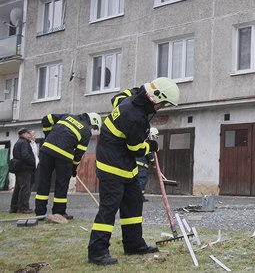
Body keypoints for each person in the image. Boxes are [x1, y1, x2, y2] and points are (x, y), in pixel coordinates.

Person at [88, 77, 180, 265]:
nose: (162, 107)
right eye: (163, 103)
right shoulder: (134, 116)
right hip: (112, 165)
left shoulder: (134, 97)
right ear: (155, 98)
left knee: (133, 203)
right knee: (109, 208)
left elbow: (118, 98)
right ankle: (97, 252)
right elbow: (135, 149)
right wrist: (151, 145)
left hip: (125, 165)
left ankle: (133, 245)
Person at [35, 113, 101, 219]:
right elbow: (79, 153)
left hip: (46, 151)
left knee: (43, 181)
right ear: (92, 122)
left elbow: (46, 118)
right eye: (93, 127)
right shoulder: (86, 131)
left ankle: (40, 212)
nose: (92, 129)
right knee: (61, 184)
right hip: (64, 156)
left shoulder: (67, 116)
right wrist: (74, 168)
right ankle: (59, 212)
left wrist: (48, 135)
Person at [111, 87, 155, 202]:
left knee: (138, 183)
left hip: (133, 164)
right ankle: (139, 197)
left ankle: (138, 197)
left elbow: (116, 99)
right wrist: (152, 157)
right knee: (140, 181)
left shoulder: (125, 108)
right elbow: (141, 150)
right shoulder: (135, 120)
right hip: (136, 165)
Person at [10, 128, 36, 214]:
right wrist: (33, 161)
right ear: (23, 134)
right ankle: (23, 207)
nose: (29, 135)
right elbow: (25, 155)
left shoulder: (18, 143)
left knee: (18, 188)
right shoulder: (24, 143)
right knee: (25, 188)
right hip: (25, 169)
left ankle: (14, 207)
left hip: (19, 169)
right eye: (28, 133)